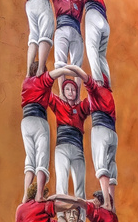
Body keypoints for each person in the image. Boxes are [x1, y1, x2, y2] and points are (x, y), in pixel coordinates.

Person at [21, 61, 76, 202]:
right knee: (42, 158)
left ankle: (25, 196)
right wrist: (72, 71)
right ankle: (39, 194)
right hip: (39, 119)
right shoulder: (42, 79)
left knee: (30, 159)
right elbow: (58, 72)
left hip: (26, 121)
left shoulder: (26, 82)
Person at [67, 66, 118, 207]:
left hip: (100, 129)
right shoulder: (109, 92)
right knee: (111, 164)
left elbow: (83, 76)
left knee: (101, 166)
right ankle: (112, 203)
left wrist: (69, 68)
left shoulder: (95, 88)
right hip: (112, 132)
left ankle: (107, 202)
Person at [24, 0, 72, 75]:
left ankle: (28, 73)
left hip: (30, 3)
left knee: (33, 36)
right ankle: (40, 69)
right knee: (46, 33)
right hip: (41, 0)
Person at [65, 0, 110, 84]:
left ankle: (98, 81)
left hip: (93, 14)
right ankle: (107, 84)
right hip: (104, 21)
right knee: (101, 55)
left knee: (91, 48)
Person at [48, 77, 89, 198]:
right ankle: (61, 216)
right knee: (61, 183)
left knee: (80, 186)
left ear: (77, 93)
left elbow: (92, 99)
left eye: (73, 90)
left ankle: (81, 216)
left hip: (78, 150)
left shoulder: (80, 108)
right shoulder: (59, 103)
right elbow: (46, 92)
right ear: (63, 92)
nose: (71, 92)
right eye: (67, 89)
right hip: (62, 148)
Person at [51, 0, 85, 69]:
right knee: (60, 63)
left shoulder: (78, 1)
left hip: (76, 32)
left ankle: (77, 84)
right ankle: (62, 83)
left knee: (77, 65)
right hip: (62, 29)